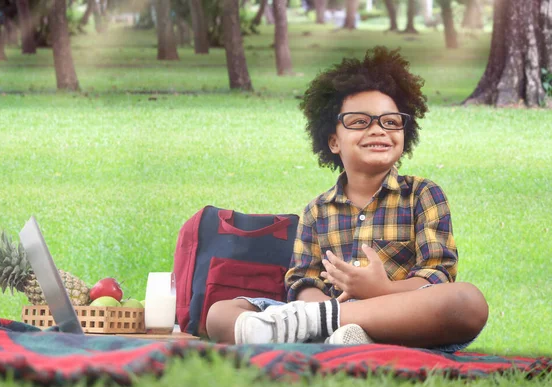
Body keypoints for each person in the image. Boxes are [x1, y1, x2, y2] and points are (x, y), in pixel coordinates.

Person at [205, 47, 489, 351]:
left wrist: (381, 289)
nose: (378, 129)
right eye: (359, 122)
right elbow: (303, 281)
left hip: (402, 319)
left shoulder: (422, 195)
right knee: (220, 315)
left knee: (467, 301)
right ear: (333, 141)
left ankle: (337, 334)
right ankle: (333, 332)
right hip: (324, 314)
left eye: (390, 122)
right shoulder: (317, 211)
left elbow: (437, 276)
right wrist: (322, 308)